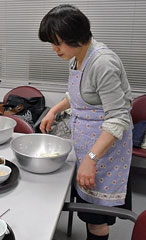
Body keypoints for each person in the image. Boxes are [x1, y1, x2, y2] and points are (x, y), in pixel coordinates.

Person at [39, 5, 132, 240]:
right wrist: (54, 110)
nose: (54, 49)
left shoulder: (103, 63)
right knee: (87, 207)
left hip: (104, 150)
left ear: (76, 37)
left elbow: (118, 117)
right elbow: (79, 94)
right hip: (86, 142)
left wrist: (92, 158)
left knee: (96, 217)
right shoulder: (77, 57)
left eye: (57, 43)